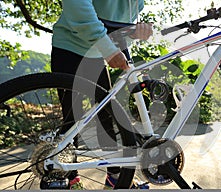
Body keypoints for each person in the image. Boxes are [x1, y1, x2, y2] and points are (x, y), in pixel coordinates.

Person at [50, 0, 152, 190]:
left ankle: (114, 176)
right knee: (72, 120)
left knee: (107, 117)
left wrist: (135, 33)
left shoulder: (137, 3)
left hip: (97, 54)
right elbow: (77, 6)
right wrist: (108, 49)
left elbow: (117, 30)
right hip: (69, 48)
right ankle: (67, 178)